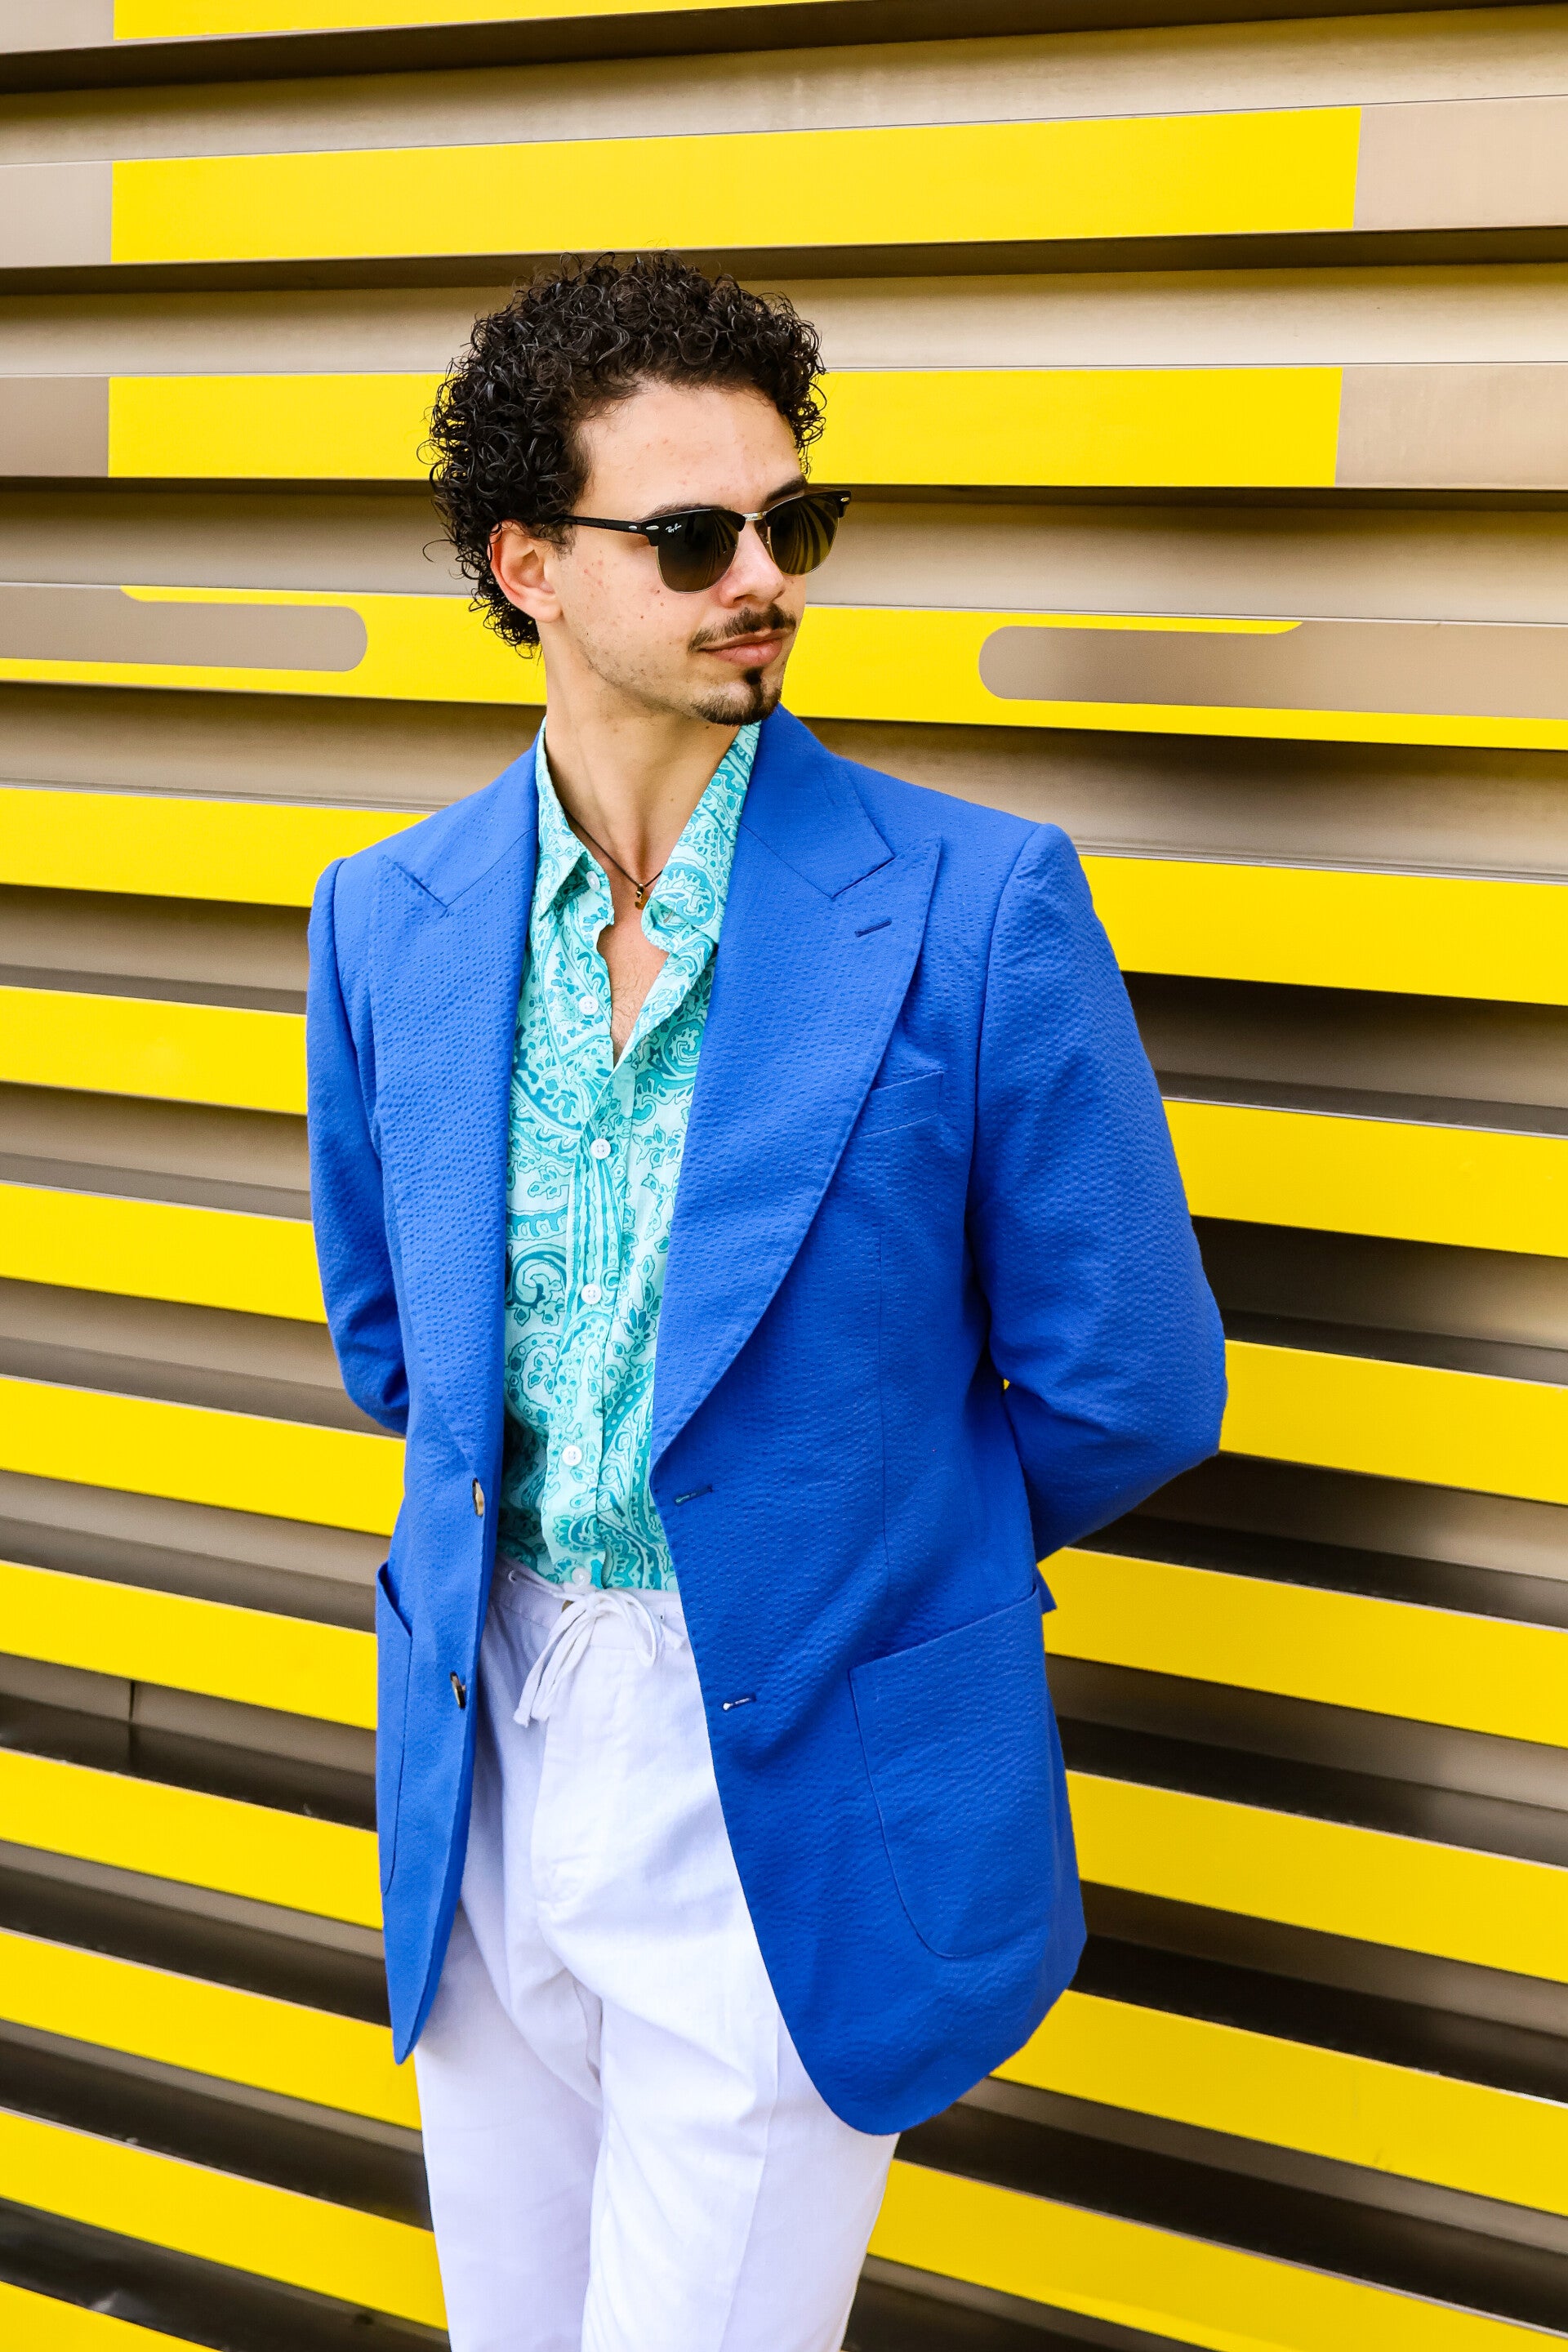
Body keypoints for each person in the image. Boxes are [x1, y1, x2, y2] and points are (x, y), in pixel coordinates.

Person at [305, 254, 1226, 2352]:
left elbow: (1135, 1380)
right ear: (530, 566)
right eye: (691, 536)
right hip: (486, 1740)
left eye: (791, 523)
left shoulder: (978, 902)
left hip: (796, 1750)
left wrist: (854, 1537)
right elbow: (395, 1342)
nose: (764, 580)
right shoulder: (388, 916)